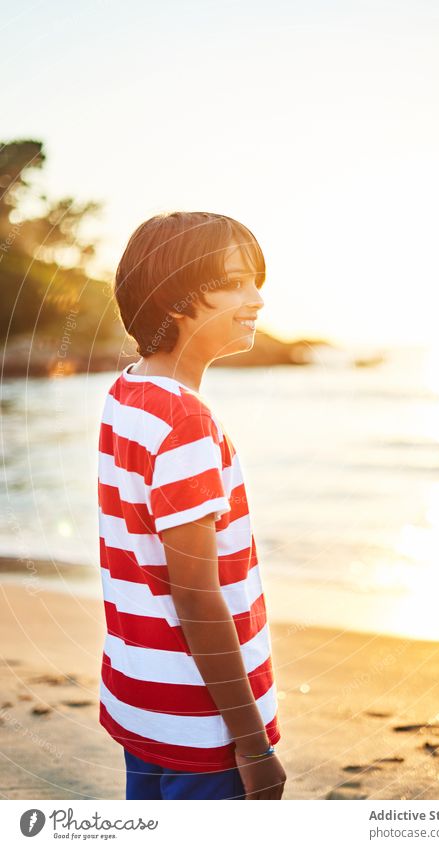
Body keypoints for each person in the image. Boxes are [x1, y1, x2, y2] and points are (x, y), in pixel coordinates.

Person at [96, 211, 286, 800]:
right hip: (204, 729)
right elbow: (197, 595)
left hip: (143, 703)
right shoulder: (185, 422)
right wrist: (252, 744)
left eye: (257, 280)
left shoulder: (128, 392)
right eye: (234, 282)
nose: (256, 298)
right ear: (176, 298)